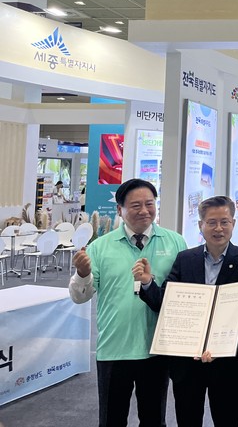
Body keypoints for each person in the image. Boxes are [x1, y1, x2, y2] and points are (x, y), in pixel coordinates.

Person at [134, 195, 238, 427]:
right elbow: (166, 304)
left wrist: (219, 344)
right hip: (187, 363)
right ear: (200, 225)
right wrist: (147, 282)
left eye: (224, 222)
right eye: (211, 222)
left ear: (233, 224)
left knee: (228, 421)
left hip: (228, 362)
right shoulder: (185, 259)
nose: (218, 228)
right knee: (187, 420)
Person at [69, 178, 187, 427]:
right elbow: (80, 297)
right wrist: (82, 274)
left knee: (154, 420)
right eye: (135, 205)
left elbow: (183, 296)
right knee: (112, 420)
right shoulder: (100, 247)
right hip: (115, 348)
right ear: (120, 209)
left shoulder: (175, 243)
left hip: (157, 348)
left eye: (149, 203)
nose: (144, 210)